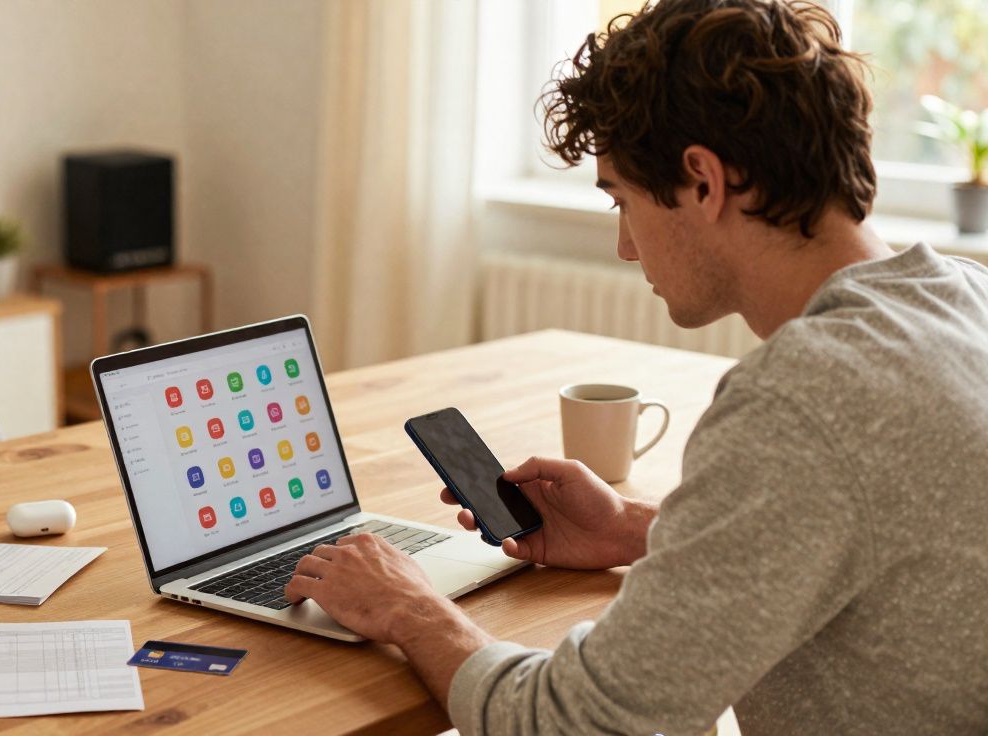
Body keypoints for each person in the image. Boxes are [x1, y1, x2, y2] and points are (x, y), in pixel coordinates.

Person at [282, 0, 988, 733]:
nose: (625, 246)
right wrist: (636, 529)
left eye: (623, 200)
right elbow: (861, 542)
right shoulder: (962, 299)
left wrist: (411, 608)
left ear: (704, 182)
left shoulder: (805, 398)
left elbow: (575, 721)